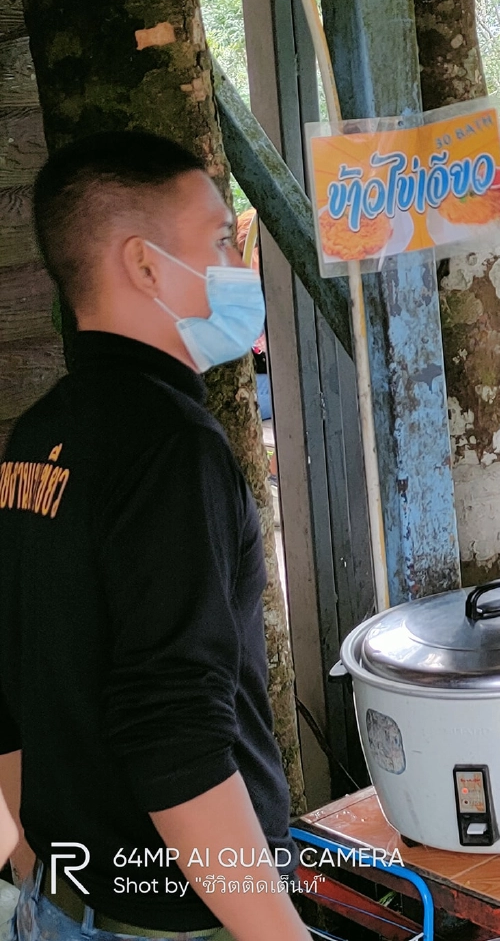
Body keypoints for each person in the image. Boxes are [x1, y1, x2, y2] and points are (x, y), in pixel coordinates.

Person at [0, 132, 310, 941]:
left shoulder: (35, 436)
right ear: (142, 264)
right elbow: (174, 732)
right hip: (172, 918)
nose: (234, 260)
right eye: (216, 239)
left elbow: (9, 685)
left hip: (65, 904)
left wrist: (37, 866)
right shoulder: (171, 446)